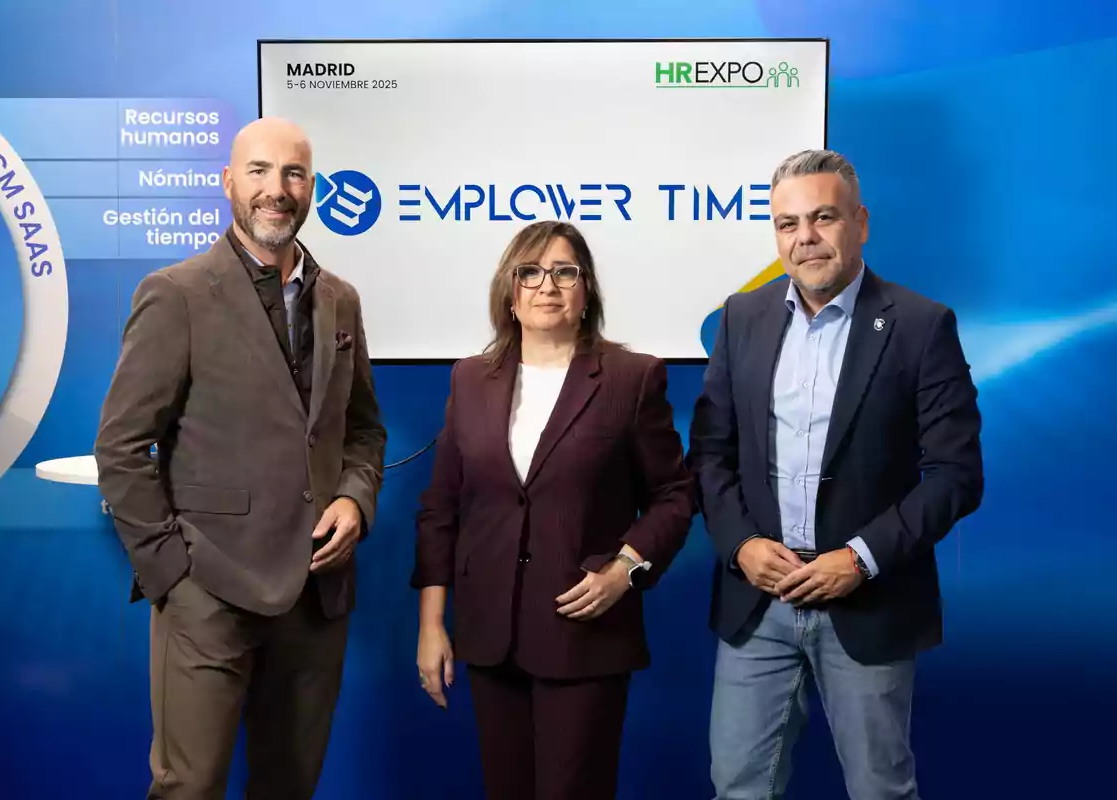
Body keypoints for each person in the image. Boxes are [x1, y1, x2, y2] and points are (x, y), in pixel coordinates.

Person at [94, 117, 387, 800]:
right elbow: (122, 444)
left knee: (289, 786)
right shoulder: (178, 293)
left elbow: (363, 432)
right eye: (258, 171)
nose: (275, 190)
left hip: (316, 595)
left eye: (292, 174)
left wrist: (355, 499)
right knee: (189, 788)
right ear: (229, 182)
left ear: (311, 187)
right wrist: (172, 576)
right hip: (210, 591)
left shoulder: (340, 299)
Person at [688, 149, 983, 800]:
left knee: (880, 789)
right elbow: (709, 454)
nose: (805, 238)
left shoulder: (920, 325)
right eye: (787, 224)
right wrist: (740, 544)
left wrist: (860, 558)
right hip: (757, 600)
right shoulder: (743, 318)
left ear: (861, 222)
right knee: (737, 786)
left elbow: (956, 474)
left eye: (823, 217)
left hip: (867, 600)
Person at [411, 220, 694, 800]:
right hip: (490, 634)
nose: (548, 285)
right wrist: (432, 625)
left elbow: (676, 494)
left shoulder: (631, 378)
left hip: (582, 632)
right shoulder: (470, 379)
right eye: (531, 272)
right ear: (509, 293)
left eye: (565, 272)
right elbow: (441, 507)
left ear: (586, 291)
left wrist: (626, 568)